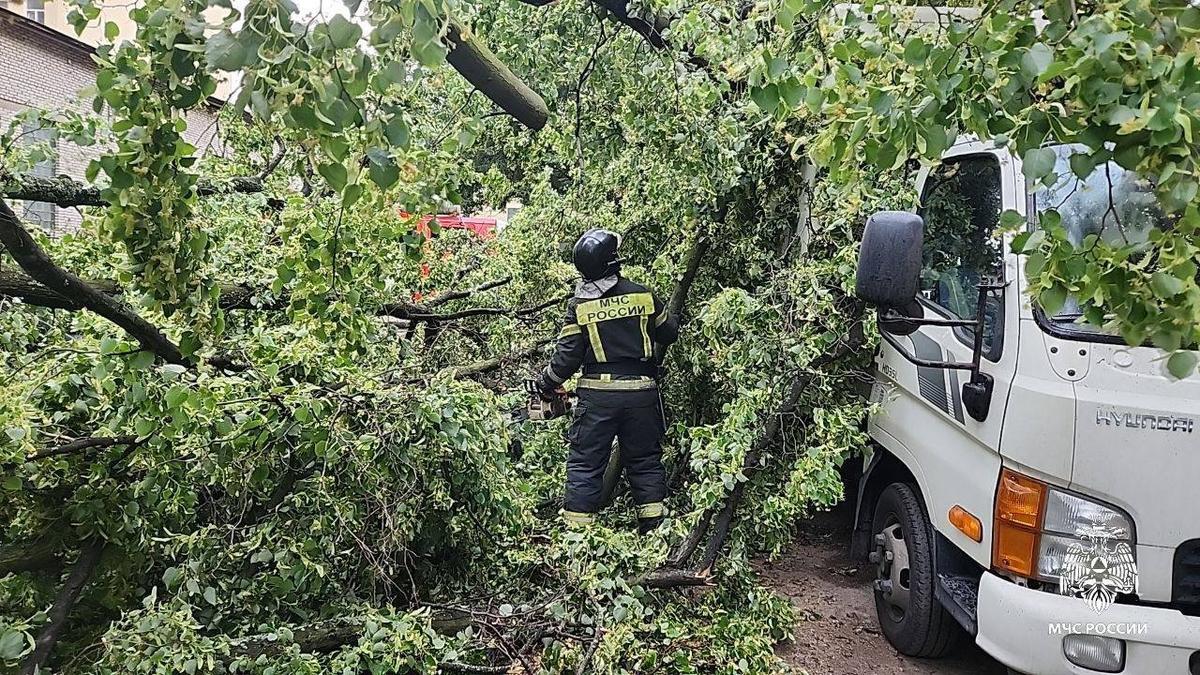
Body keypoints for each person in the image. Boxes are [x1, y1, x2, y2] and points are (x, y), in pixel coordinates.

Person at [535, 229, 679, 534]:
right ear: (614, 261)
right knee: (644, 462)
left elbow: (567, 359)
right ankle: (653, 534)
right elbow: (669, 333)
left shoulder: (580, 306)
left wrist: (545, 383)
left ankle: (577, 538)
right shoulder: (643, 295)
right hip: (642, 394)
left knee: (586, 465)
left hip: (598, 398)